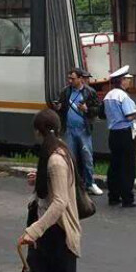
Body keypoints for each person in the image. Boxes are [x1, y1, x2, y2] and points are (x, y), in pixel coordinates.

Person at [18, 109, 93, 272]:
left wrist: (34, 230)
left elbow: (60, 202)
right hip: (47, 234)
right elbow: (53, 190)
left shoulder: (56, 159)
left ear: (40, 132)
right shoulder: (55, 152)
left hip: (58, 234)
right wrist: (38, 178)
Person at [52, 67, 102, 196]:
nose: (70, 81)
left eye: (72, 78)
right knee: (70, 157)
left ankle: (90, 183)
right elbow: (62, 107)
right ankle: (72, 183)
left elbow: (98, 109)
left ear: (80, 79)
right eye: (69, 78)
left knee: (87, 157)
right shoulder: (66, 91)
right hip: (69, 129)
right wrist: (59, 107)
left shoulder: (89, 92)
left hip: (83, 129)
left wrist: (86, 109)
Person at [103, 65, 136, 208]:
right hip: (125, 133)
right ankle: (127, 198)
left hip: (113, 134)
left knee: (114, 165)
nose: (129, 82)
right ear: (122, 81)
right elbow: (129, 114)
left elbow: (102, 114)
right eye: (127, 79)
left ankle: (113, 196)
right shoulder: (123, 96)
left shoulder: (108, 95)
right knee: (127, 167)